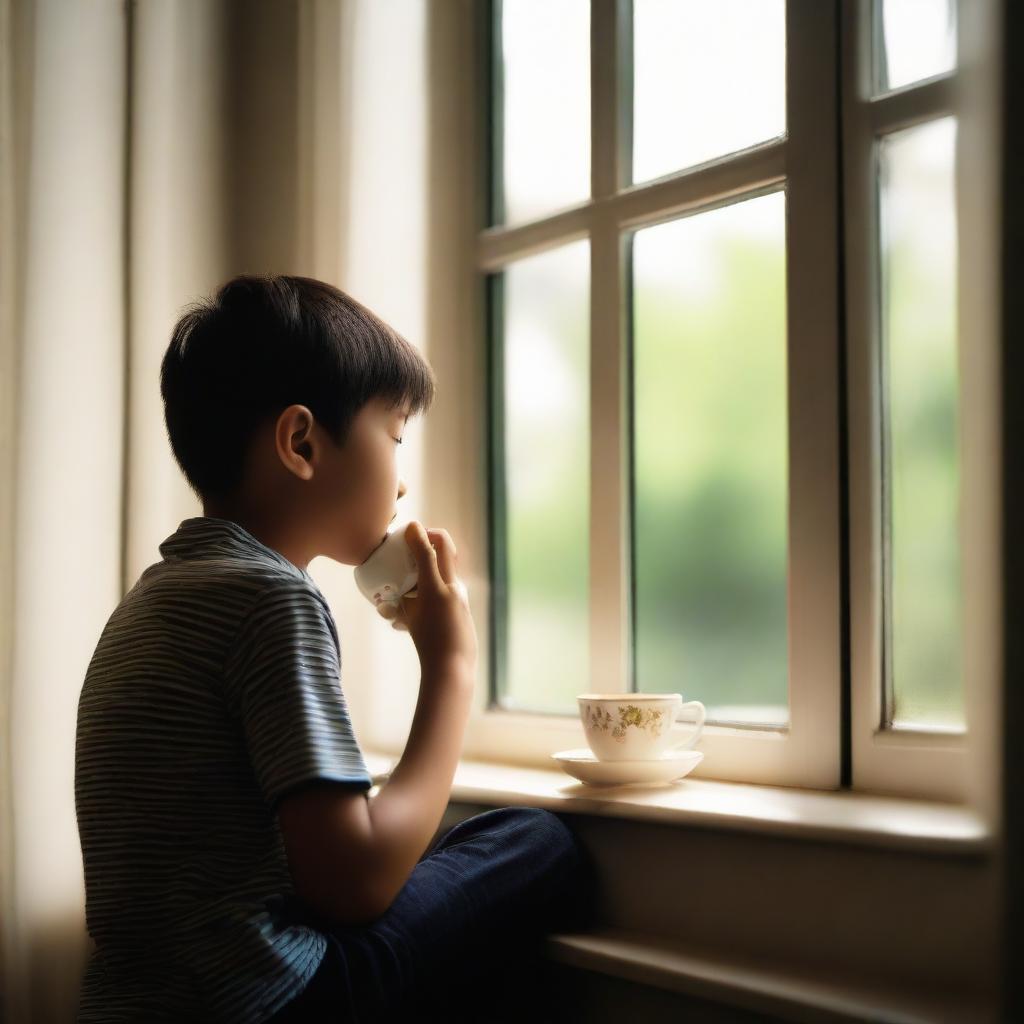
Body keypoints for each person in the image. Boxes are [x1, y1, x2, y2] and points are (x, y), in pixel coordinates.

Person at [73, 274, 597, 1024]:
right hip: (269, 999)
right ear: (301, 443)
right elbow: (354, 885)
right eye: (394, 437)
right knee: (532, 839)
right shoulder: (272, 599)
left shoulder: (149, 600)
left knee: (452, 840)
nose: (403, 481)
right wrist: (451, 663)